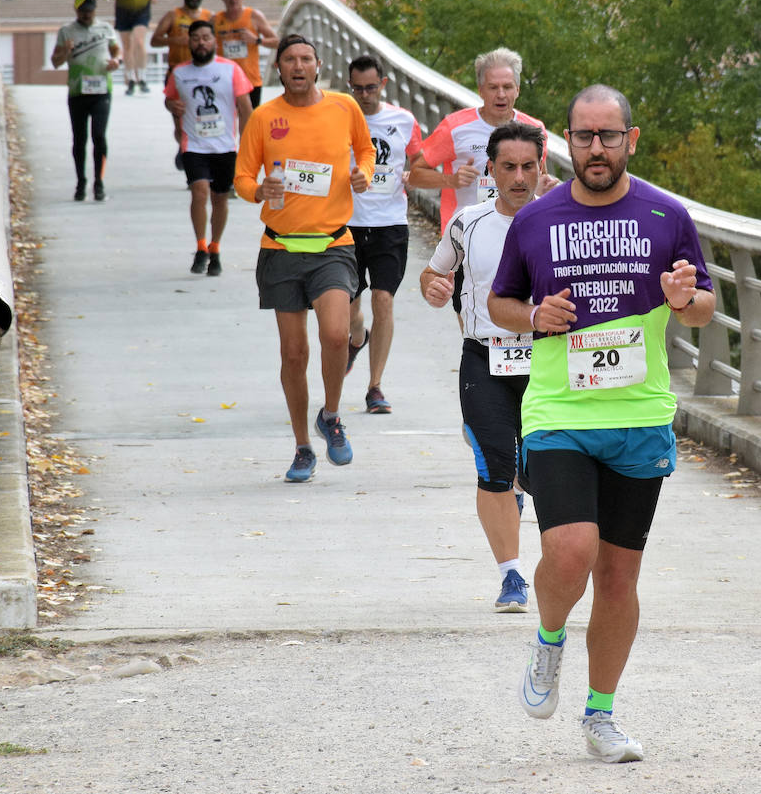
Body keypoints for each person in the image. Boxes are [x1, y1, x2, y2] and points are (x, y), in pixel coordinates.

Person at [489, 84, 715, 764]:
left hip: (639, 415)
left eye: (608, 136)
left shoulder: (665, 214)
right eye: (584, 135)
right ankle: (549, 637)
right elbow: (501, 300)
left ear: (630, 140)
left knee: (619, 577)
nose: (596, 148)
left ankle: (601, 714)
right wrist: (534, 317)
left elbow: (702, 303)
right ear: (566, 139)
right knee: (571, 550)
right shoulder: (535, 219)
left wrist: (685, 300)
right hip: (559, 412)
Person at [234, 34, 376, 482]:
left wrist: (363, 174)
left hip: (334, 243)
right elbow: (241, 177)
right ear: (278, 68)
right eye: (289, 60)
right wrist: (260, 191)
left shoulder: (343, 107)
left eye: (306, 59)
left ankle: (331, 415)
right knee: (293, 353)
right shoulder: (264, 117)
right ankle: (302, 447)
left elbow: (367, 150)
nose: (298, 66)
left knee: (336, 335)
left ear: (318, 66)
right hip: (280, 245)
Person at [420, 122, 549, 612]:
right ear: (490, 169)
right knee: (494, 465)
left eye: (528, 167)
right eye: (509, 167)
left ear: (542, 168)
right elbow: (435, 272)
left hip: (548, 359)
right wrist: (432, 288)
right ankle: (511, 576)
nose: (519, 177)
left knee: (541, 470)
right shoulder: (467, 222)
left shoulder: (561, 222)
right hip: (485, 356)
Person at [343, 55, 423, 414]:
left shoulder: (403, 120)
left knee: (383, 300)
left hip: (390, 223)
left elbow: (421, 159)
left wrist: (414, 174)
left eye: (371, 87)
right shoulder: (339, 117)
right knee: (349, 307)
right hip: (346, 223)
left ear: (384, 84)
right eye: (357, 88)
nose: (364, 95)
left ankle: (375, 386)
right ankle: (357, 337)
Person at [408, 47, 547, 231]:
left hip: (517, 233)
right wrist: (451, 180)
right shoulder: (455, 127)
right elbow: (415, 175)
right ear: (481, 90)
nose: (501, 95)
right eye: (493, 87)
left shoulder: (534, 129)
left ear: (517, 90)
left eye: (507, 87)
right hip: (464, 234)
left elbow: (540, 179)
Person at [164, 21, 254, 276]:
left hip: (225, 145)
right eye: (195, 38)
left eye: (205, 37)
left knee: (220, 198)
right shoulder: (180, 72)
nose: (201, 42)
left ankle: (215, 248)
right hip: (194, 144)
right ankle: (200, 247)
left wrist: (247, 143)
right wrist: (172, 109)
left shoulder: (231, 69)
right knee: (199, 192)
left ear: (214, 41)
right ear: (189, 42)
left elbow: (246, 108)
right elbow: (170, 99)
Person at [51, 0, 120, 202]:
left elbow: (116, 50)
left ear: (95, 10)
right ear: (75, 10)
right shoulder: (66, 31)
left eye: (88, 11)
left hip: (101, 91)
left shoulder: (105, 29)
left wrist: (116, 60)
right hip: (77, 91)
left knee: (99, 136)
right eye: (81, 11)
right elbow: (55, 62)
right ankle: (81, 181)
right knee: (79, 139)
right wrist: (66, 51)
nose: (85, 15)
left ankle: (99, 182)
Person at [153, 0, 214, 156]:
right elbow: (155, 40)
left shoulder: (209, 17)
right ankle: (185, 151)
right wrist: (175, 40)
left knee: (203, 119)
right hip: (178, 75)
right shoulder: (173, 15)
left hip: (204, 75)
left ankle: (201, 154)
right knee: (180, 120)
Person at [212, 0, 279, 108]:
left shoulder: (254, 16)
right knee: (226, 124)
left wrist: (257, 40)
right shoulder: (215, 20)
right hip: (224, 80)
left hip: (250, 81)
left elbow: (277, 42)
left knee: (249, 124)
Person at [107, 0, 156, 94]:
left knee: (139, 41)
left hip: (142, 9)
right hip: (124, 9)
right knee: (127, 46)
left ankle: (142, 77)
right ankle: (130, 80)